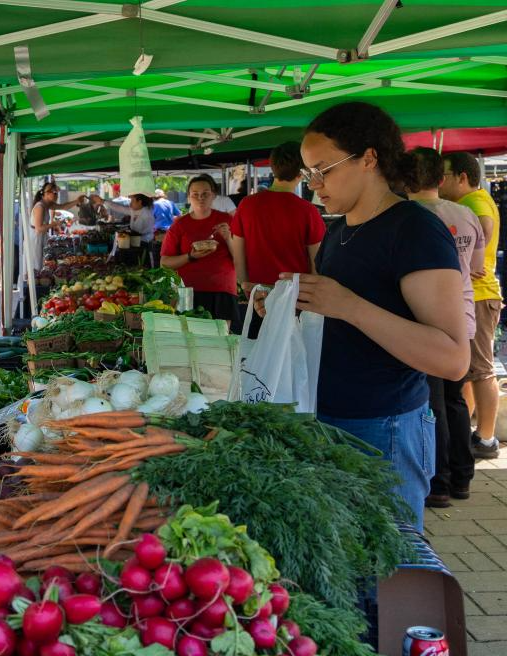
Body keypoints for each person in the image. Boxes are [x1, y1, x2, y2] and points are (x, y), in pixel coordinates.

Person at [260, 101, 468, 528]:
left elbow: (452, 358)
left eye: (324, 169)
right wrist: (290, 304)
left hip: (384, 429)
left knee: (388, 559)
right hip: (329, 419)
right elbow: (341, 319)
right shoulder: (339, 229)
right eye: (309, 173)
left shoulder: (414, 229)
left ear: (369, 158)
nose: (314, 184)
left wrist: (348, 306)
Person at [405, 148, 484, 507]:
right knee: (455, 400)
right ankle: (462, 477)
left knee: (431, 404)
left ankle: (438, 483)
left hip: (426, 323)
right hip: (464, 316)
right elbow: (477, 267)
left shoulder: (407, 218)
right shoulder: (466, 214)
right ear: (441, 178)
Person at [440, 151, 503, 460]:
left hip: (478, 296)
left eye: (444, 176)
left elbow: (484, 233)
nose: (439, 183)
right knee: (468, 370)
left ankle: (486, 439)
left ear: (462, 178)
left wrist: (467, 260)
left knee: (481, 370)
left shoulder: (474, 203)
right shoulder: (472, 202)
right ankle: (469, 434)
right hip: (475, 296)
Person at [226, 142, 326, 287]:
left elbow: (238, 259)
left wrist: (248, 289)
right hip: (296, 294)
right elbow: (316, 264)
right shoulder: (308, 211)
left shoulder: (247, 205)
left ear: (273, 167)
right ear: (303, 171)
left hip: (258, 293)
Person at [160, 175, 238, 324]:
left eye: (205, 194)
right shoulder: (179, 225)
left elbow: (241, 259)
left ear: (213, 195)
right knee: (189, 335)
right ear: (189, 197)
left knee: (222, 335)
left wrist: (228, 238)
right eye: (195, 194)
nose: (200, 198)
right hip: (188, 291)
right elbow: (164, 263)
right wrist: (190, 256)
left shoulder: (227, 220)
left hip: (222, 289)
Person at [30, 181, 80, 262]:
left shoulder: (47, 204)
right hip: (36, 238)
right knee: (36, 263)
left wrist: (77, 201)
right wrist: (54, 224)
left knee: (42, 261)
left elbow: (64, 206)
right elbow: (38, 229)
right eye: (55, 193)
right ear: (47, 193)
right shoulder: (40, 206)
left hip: (41, 236)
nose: (57, 195)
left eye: (57, 193)